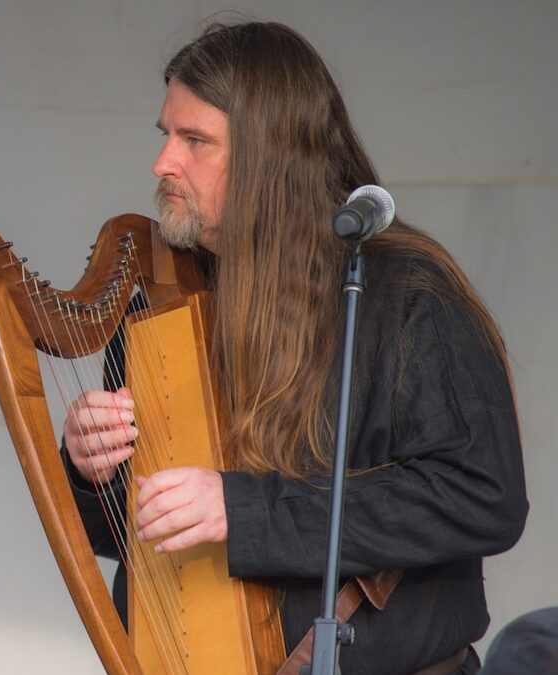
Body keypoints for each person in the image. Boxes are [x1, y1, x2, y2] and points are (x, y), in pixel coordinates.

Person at [61, 21, 528, 675]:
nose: (163, 163)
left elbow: (482, 497)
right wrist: (91, 470)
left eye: (194, 140)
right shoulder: (159, 302)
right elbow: (132, 539)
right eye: (166, 134)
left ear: (269, 154)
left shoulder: (403, 293)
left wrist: (242, 510)